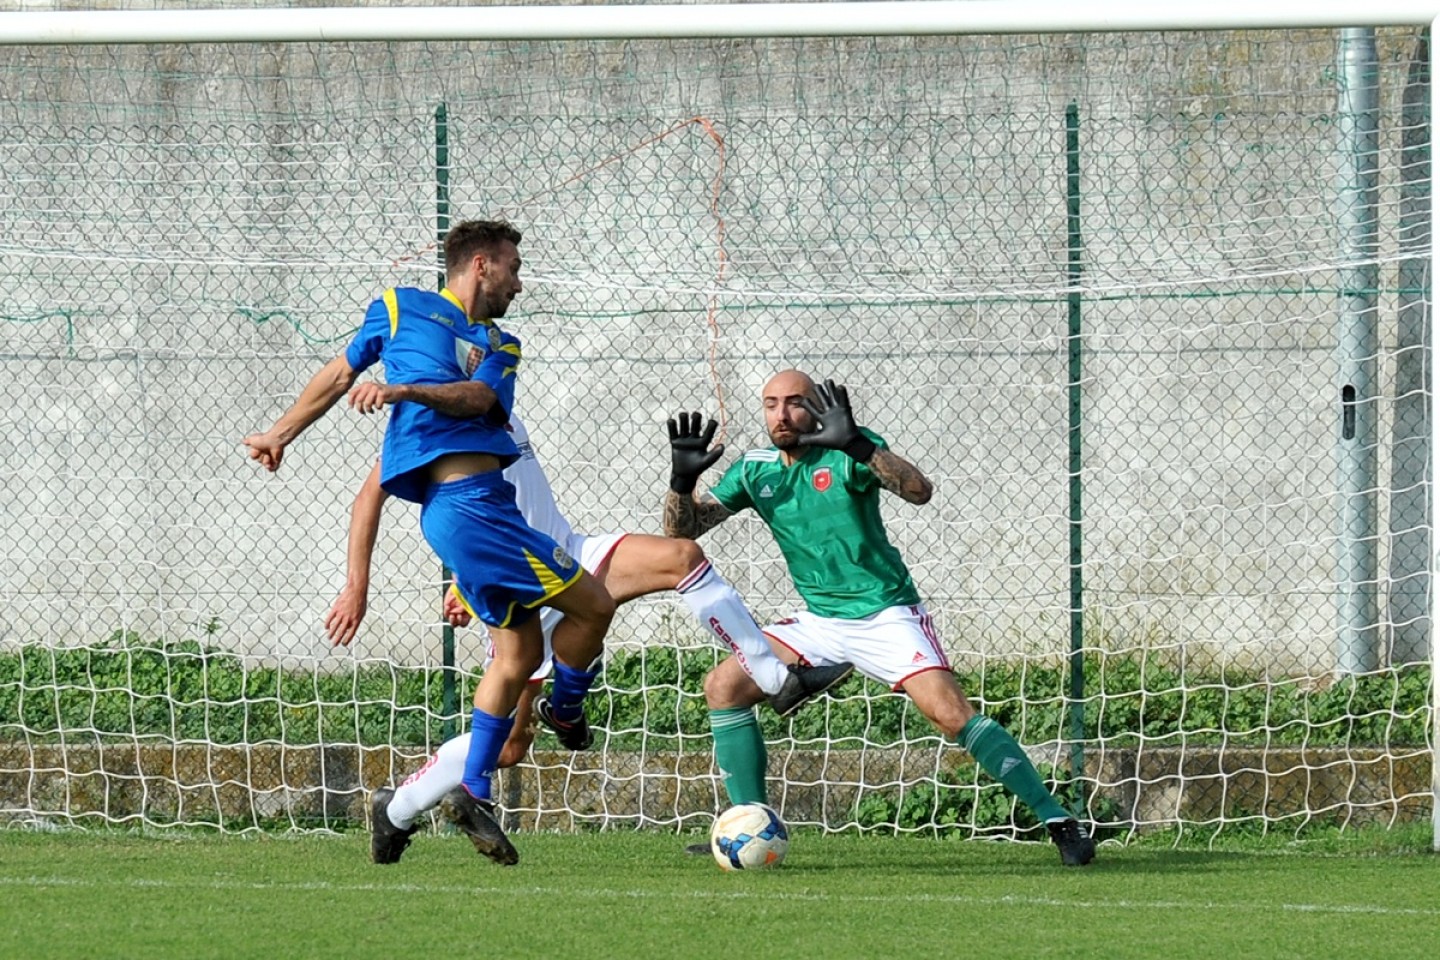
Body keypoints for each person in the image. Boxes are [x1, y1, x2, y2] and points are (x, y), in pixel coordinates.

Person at [331, 400, 854, 864]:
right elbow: (382, 501)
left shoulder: (494, 397)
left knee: (683, 558)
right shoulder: (427, 424)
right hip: (517, 582)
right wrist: (380, 585)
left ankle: (773, 679)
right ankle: (394, 810)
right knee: (509, 748)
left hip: (568, 555)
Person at [243, 219, 616, 867]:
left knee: (519, 652)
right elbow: (339, 372)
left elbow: (478, 399)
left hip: (483, 507)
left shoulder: (501, 344)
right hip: (468, 510)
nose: (519, 284)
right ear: (481, 264)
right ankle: (566, 712)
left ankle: (471, 790)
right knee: (596, 604)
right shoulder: (398, 306)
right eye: (514, 268)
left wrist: (405, 389)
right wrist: (281, 432)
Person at [663, 370, 1097, 866]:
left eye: (794, 403)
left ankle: (1059, 821)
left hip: (886, 614)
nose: (781, 415)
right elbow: (685, 531)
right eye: (770, 404)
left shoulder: (848, 452)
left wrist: (859, 447)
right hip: (820, 620)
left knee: (950, 714)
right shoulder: (755, 469)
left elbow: (918, 490)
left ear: (815, 406)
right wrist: (683, 482)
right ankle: (747, 822)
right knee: (723, 686)